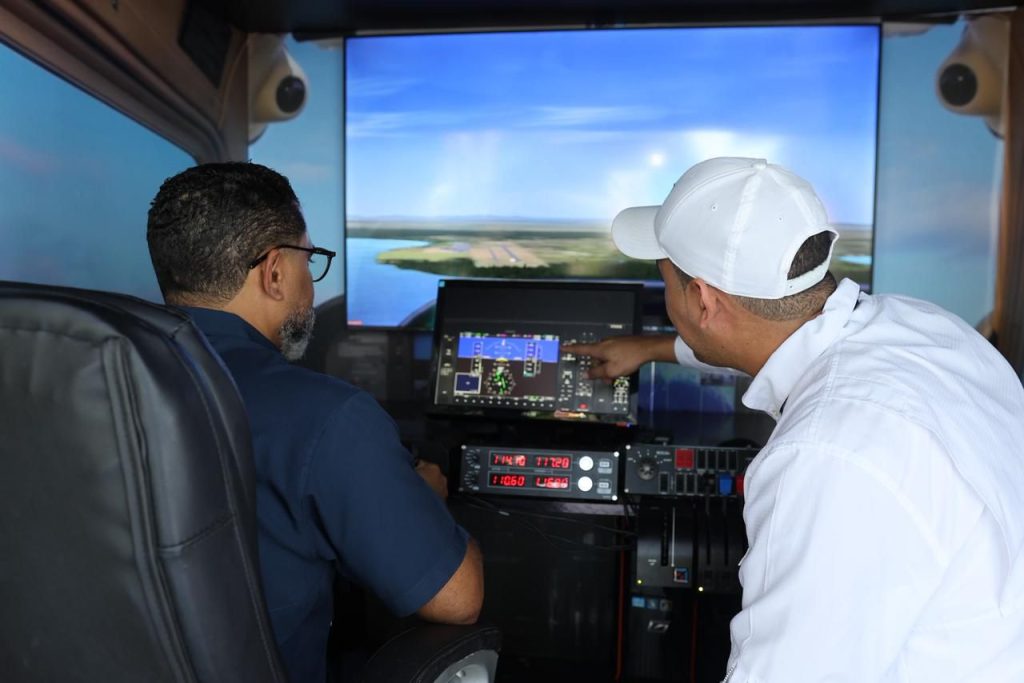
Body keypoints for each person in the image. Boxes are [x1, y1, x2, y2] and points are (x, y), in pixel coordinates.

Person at [567, 157, 1024, 681]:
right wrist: (651, 348)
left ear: (703, 300)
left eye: (664, 277)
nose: (665, 292)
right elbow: (756, 336)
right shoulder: (926, 326)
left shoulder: (823, 457)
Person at [146, 162, 483, 683]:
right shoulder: (327, 414)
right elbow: (457, 600)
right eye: (310, 260)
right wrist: (423, 498)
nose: (310, 282)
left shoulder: (87, 382)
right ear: (274, 271)